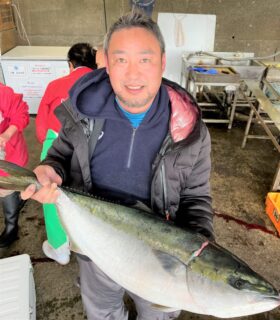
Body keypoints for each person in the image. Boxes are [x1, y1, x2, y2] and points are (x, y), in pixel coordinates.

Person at [22, 10, 213, 320]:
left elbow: (197, 197)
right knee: (102, 310)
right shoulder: (82, 111)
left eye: (145, 60)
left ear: (163, 62)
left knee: (158, 313)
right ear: (105, 63)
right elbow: (59, 155)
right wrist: (50, 169)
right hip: (93, 244)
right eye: (121, 60)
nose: (133, 75)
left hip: (159, 255)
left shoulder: (189, 128)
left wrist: (196, 257)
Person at [35, 43, 97, 265]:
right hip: (94, 143)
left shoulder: (55, 85)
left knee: (51, 192)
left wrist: (47, 143)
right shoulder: (104, 84)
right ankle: (87, 245)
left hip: (56, 142)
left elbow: (41, 124)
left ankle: (60, 248)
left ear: (70, 64)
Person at [0, 83, 29, 253]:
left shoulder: (2, 92)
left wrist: (6, 135)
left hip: (8, 154)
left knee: (6, 189)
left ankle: (11, 227)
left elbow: (21, 113)